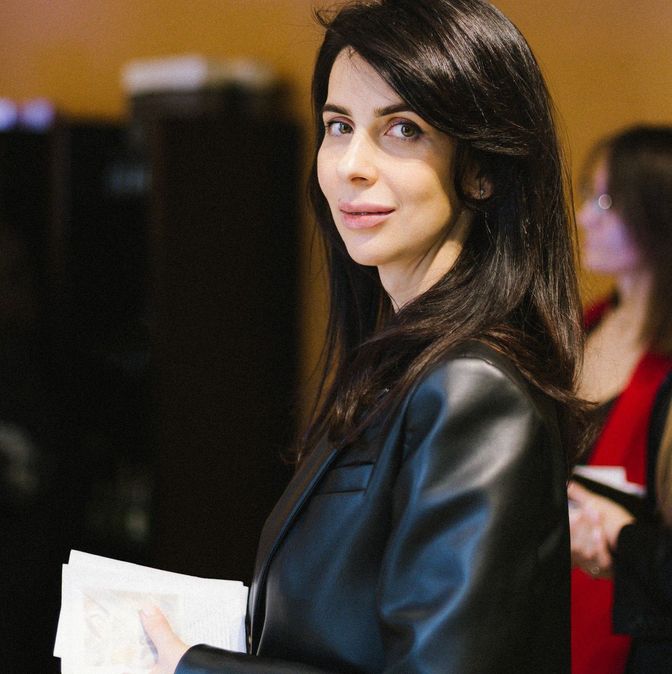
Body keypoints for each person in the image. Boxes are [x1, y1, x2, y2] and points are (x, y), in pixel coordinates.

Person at [141, 1, 585, 672]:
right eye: (339, 126)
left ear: (482, 168)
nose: (351, 164)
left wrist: (193, 668)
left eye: (402, 129)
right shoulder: (401, 364)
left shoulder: (473, 388)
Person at [568, 125, 672, 674]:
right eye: (589, 196)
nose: (584, 216)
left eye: (605, 201)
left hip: (637, 632)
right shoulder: (577, 329)